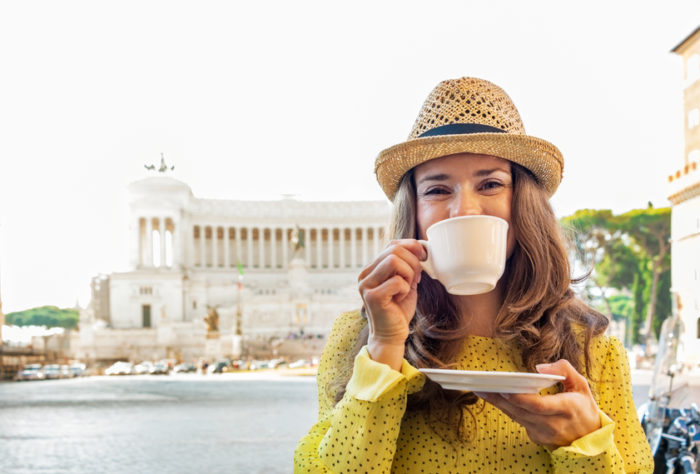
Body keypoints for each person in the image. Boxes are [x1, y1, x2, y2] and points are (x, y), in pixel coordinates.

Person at [294, 77, 654, 473]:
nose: (465, 209)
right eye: (436, 190)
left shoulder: (594, 350)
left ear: (524, 205)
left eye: (490, 184)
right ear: (413, 215)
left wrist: (585, 446)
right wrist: (385, 346)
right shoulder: (357, 341)